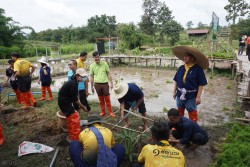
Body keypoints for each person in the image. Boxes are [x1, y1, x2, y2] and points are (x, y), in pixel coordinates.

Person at [172, 46, 208, 122]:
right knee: (179, 112)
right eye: (184, 56)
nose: (185, 58)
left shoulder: (198, 69)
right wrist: (174, 91)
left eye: (187, 56)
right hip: (179, 95)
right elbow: (176, 80)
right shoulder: (181, 68)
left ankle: (193, 129)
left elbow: (201, 84)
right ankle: (179, 127)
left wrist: (198, 97)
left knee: (192, 113)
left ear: (193, 58)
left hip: (191, 96)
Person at [58, 68, 89, 141]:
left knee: (70, 117)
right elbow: (75, 100)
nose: (84, 78)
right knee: (74, 117)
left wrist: (81, 105)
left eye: (85, 76)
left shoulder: (74, 81)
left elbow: (74, 96)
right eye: (83, 76)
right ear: (77, 76)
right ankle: (76, 139)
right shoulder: (74, 84)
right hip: (64, 102)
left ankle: (71, 135)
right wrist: (83, 106)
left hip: (64, 101)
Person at [90, 51, 115, 117]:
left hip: (105, 84)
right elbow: (91, 76)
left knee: (107, 99)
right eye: (95, 57)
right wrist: (91, 87)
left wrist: (111, 83)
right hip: (97, 84)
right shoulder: (92, 66)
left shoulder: (104, 64)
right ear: (93, 58)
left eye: (98, 57)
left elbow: (108, 74)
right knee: (101, 99)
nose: (97, 58)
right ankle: (103, 111)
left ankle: (110, 112)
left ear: (100, 57)